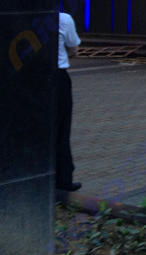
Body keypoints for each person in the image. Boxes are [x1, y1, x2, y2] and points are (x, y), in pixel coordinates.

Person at [57, 11, 82, 192]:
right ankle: (63, 178)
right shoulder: (63, 19)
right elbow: (73, 49)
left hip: (27, 79)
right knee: (61, 129)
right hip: (57, 78)